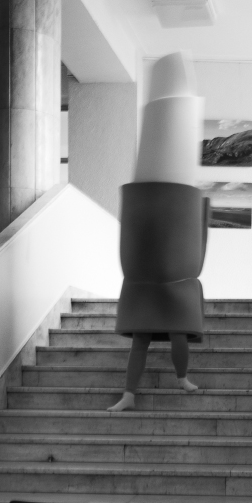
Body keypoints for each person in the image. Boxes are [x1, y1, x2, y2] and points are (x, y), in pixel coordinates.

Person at [108, 51, 206, 412]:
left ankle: (180, 379)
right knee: (142, 338)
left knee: (174, 333)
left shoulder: (181, 209)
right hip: (146, 279)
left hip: (174, 280)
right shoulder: (147, 206)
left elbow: (191, 240)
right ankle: (129, 394)